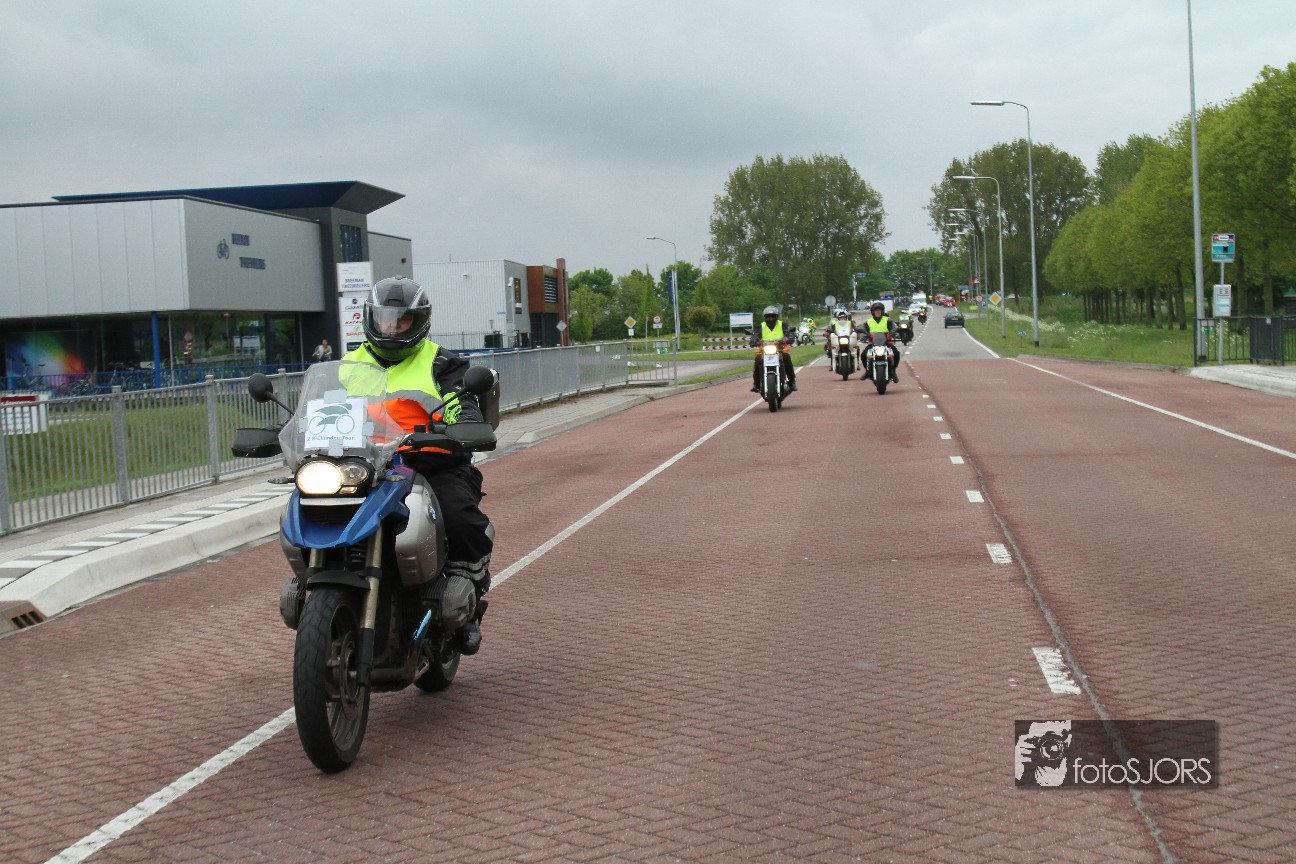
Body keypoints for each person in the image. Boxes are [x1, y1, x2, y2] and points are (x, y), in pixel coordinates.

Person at [344, 276, 493, 655]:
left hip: (430, 465)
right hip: (365, 468)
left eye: (402, 321)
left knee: (460, 517)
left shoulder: (442, 363)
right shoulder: (348, 364)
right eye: (384, 320)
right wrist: (288, 429)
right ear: (370, 319)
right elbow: (320, 410)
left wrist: (464, 425)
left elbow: (462, 404)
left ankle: (468, 599)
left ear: (420, 321)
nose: (391, 328)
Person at [749, 305, 797, 393]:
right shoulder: (761, 326)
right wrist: (753, 340)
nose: (770, 318)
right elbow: (755, 335)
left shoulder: (783, 325)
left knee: (786, 358)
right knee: (758, 360)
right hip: (764, 350)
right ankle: (756, 383)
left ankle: (792, 382)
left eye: (773, 316)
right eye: (768, 316)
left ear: (776, 316)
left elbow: (790, 332)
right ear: (765, 317)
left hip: (780, 349)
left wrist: (789, 338)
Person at [860, 301, 900, 383]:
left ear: (882, 311)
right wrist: (863, 337)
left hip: (887, 343)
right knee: (863, 355)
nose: (878, 312)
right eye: (876, 310)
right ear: (873, 312)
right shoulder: (868, 322)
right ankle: (867, 371)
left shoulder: (888, 320)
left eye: (879, 310)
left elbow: (894, 328)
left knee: (896, 353)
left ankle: (893, 371)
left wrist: (895, 335)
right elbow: (864, 330)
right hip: (872, 343)